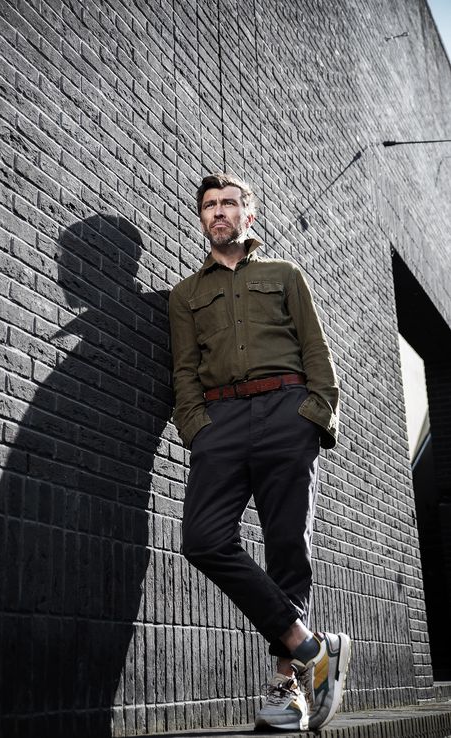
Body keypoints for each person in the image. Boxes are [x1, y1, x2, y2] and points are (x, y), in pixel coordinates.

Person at [168, 173, 351, 731]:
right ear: (203, 219)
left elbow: (316, 349)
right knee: (203, 539)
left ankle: (284, 690)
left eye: (229, 204)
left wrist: (314, 416)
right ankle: (310, 646)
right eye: (209, 206)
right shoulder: (185, 295)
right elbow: (184, 370)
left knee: (287, 545)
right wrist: (197, 428)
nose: (218, 212)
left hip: (286, 412)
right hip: (220, 420)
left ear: (248, 215)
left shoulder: (284, 274)